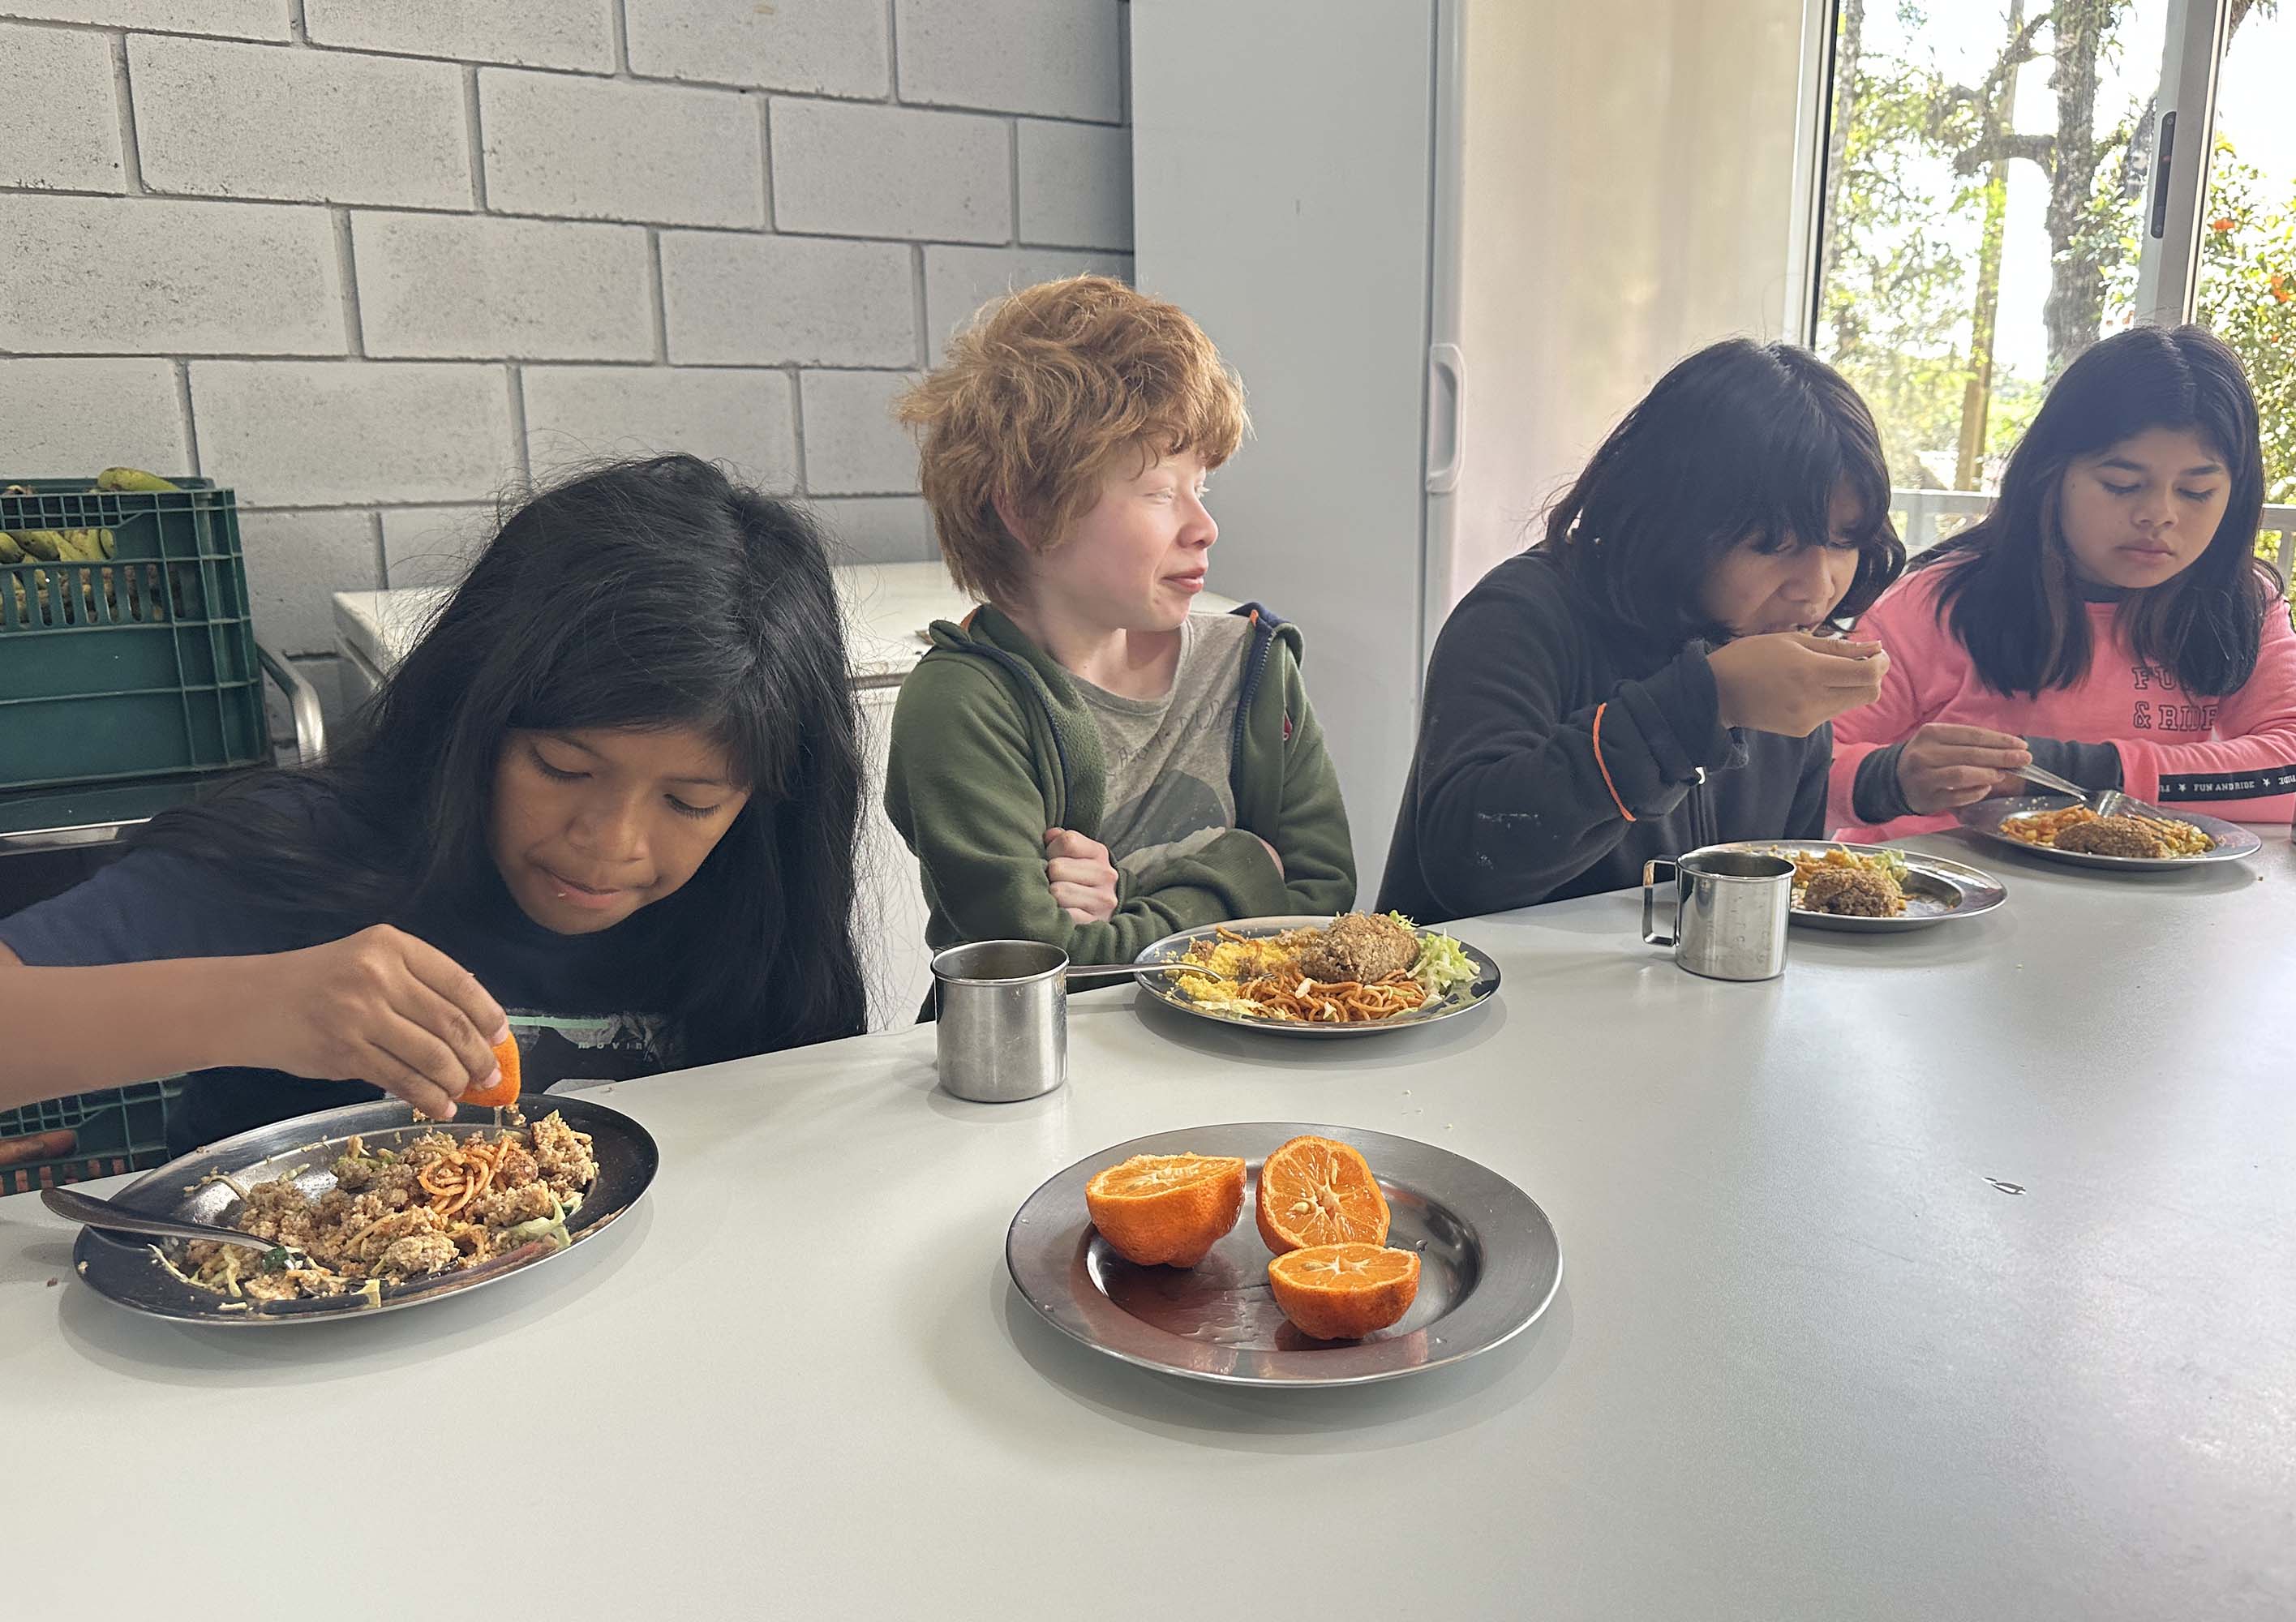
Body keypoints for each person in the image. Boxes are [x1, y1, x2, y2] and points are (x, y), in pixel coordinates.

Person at [0, 455, 868, 1148]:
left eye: (690, 802)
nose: (611, 844)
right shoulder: (304, 853)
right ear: (469, 715)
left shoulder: (755, 907)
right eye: (562, 767)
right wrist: (254, 1005)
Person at [886, 275, 1355, 964]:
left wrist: (1129, 897)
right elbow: (1052, 963)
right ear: (1029, 511)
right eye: (1160, 491)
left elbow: (1324, 906)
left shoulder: (1250, 665)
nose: (1205, 527)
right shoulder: (963, 706)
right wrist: (1247, 868)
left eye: (1201, 487)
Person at [1375, 338, 1903, 924]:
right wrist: (1702, 706)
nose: (1818, 586)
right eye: (1774, 544)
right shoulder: (1524, 612)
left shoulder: (1791, 655)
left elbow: (1785, 903)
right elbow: (1465, 865)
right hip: (1492, 980)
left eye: (1844, 541)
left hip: (1689, 980)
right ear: (1678, 519)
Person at [1830, 324, 2296, 839]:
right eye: (2121, 484)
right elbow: (1809, 756)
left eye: (2196, 492)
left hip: (2156, 889)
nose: (2158, 514)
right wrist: (1889, 779)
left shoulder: (2238, 602)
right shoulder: (1939, 601)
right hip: (1941, 884)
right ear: (2050, 475)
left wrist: (2083, 772)